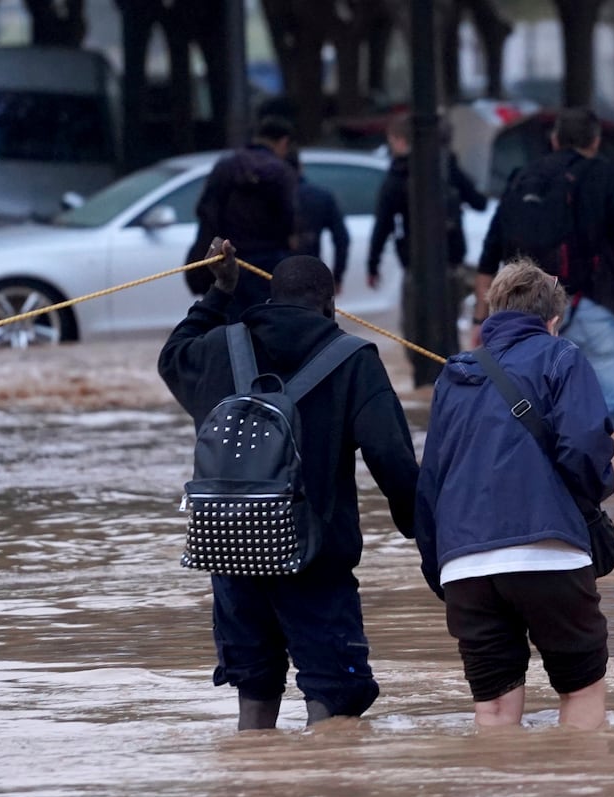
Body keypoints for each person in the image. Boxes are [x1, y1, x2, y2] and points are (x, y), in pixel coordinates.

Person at [158, 239, 419, 731]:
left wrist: (218, 294)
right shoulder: (354, 359)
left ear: (272, 297)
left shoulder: (219, 346)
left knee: (255, 690)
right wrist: (421, 532)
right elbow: (392, 458)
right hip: (315, 560)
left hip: (233, 553)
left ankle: (258, 796)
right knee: (335, 699)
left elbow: (171, 357)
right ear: (330, 305)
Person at [415, 259, 614, 730]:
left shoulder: (454, 374)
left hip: (464, 565)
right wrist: (590, 500)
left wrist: (440, 566)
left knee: (494, 711)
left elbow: (432, 479)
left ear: (492, 311)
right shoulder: (562, 357)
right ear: (553, 320)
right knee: (580, 691)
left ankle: (502, 796)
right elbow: (584, 450)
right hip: (549, 556)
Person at [474, 107, 614, 461]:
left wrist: (479, 319)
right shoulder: (606, 175)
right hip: (595, 302)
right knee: (611, 401)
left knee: (540, 400)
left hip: (533, 312)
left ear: (555, 139)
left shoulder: (523, 176)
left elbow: (490, 253)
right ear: (595, 140)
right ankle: (613, 488)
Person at [366, 112, 488, 388]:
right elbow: (479, 202)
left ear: (399, 140)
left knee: (414, 333)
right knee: (449, 331)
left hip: (417, 269)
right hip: (451, 265)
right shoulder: (448, 169)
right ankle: (454, 383)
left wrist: (372, 264)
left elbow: (383, 223)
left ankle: (427, 383)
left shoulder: (398, 174)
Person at [183, 116, 298, 310]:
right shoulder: (282, 172)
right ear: (284, 142)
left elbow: (207, 213)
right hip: (269, 264)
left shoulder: (225, 166)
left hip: (229, 261)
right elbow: (290, 220)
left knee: (229, 326)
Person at [292, 149, 349, 291]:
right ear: (300, 167)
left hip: (270, 274)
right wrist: (337, 276)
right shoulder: (321, 197)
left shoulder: (266, 198)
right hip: (311, 272)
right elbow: (342, 239)